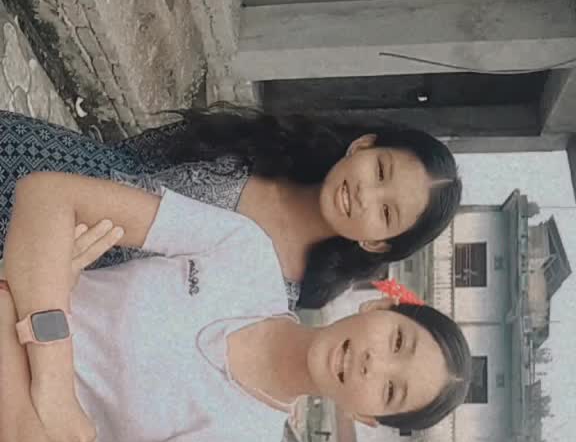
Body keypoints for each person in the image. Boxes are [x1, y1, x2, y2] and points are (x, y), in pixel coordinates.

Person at [0, 171, 471, 442]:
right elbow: (48, 194)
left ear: (367, 417)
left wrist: (20, 296)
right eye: (397, 343)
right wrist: (52, 373)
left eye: (390, 390)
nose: (374, 364)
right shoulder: (245, 251)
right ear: (379, 308)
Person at [0, 107, 462, 309]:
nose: (365, 195)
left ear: (377, 242)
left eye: (386, 213)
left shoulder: (283, 295)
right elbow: (134, 157)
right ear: (363, 146)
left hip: (52, 277)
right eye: (380, 171)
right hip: (37, 163)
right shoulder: (265, 145)